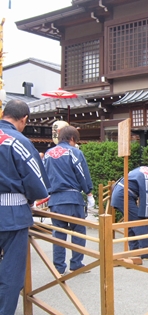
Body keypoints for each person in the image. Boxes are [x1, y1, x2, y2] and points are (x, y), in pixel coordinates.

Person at [0, 100, 50, 315]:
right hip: (11, 213)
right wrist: (33, 198)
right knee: (11, 272)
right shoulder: (17, 141)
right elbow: (37, 181)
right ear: (24, 119)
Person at [43, 126, 95, 275]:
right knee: (78, 231)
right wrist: (89, 192)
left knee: (58, 233)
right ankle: (76, 263)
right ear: (72, 138)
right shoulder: (74, 152)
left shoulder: (48, 154)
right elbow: (82, 174)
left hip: (55, 199)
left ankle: (58, 267)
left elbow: (44, 175)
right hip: (72, 198)